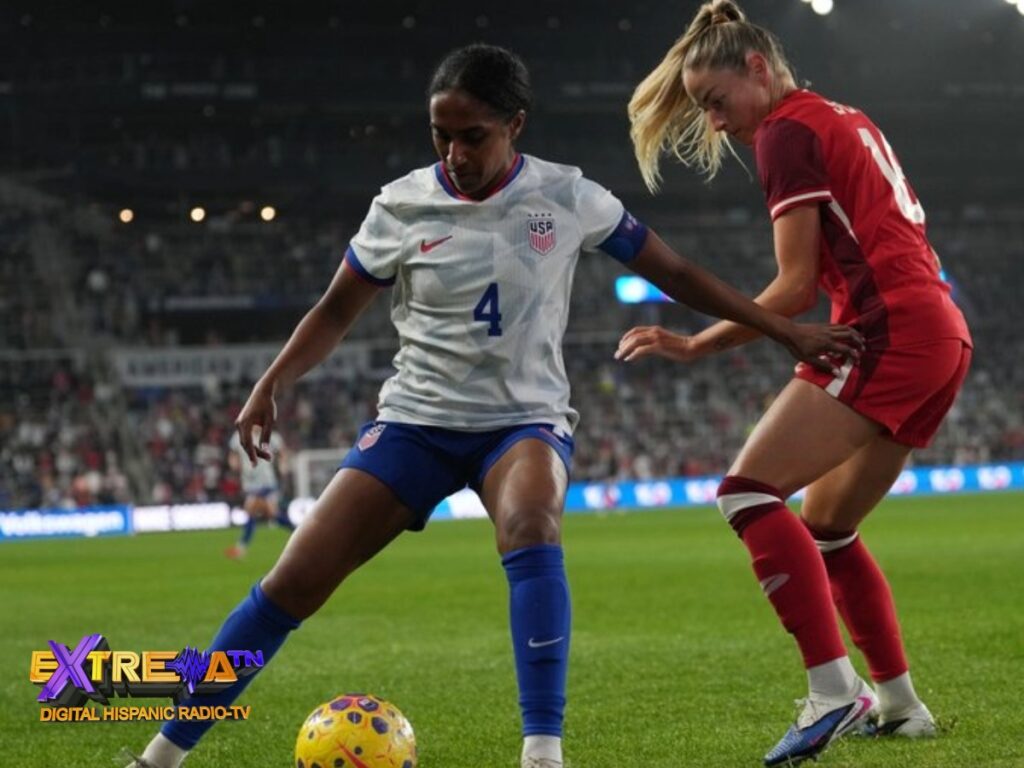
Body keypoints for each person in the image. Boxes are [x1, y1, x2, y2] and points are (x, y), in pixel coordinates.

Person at [123, 43, 860, 768]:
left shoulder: (569, 196)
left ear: (516, 124)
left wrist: (782, 328)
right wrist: (271, 381)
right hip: (416, 422)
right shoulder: (401, 205)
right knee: (291, 581)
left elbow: (678, 273)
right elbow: (333, 310)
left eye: (472, 136)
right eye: (441, 136)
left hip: (522, 423)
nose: (455, 153)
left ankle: (543, 753)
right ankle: (160, 756)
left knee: (532, 520)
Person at [619, 2, 972, 765]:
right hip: (940, 329)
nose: (714, 125)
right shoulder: (840, 115)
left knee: (746, 493)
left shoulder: (785, 131)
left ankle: (832, 691)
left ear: (757, 68)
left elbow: (792, 288)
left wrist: (693, 344)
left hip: (888, 329)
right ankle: (902, 707)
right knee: (829, 530)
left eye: (715, 101)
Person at [224, 428, 295, 559]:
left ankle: (241, 548)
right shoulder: (239, 436)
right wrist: (233, 463)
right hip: (249, 482)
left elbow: (282, 452)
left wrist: (283, 465)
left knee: (251, 509)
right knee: (272, 514)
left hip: (266, 481)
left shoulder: (272, 437)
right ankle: (299, 532)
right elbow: (233, 454)